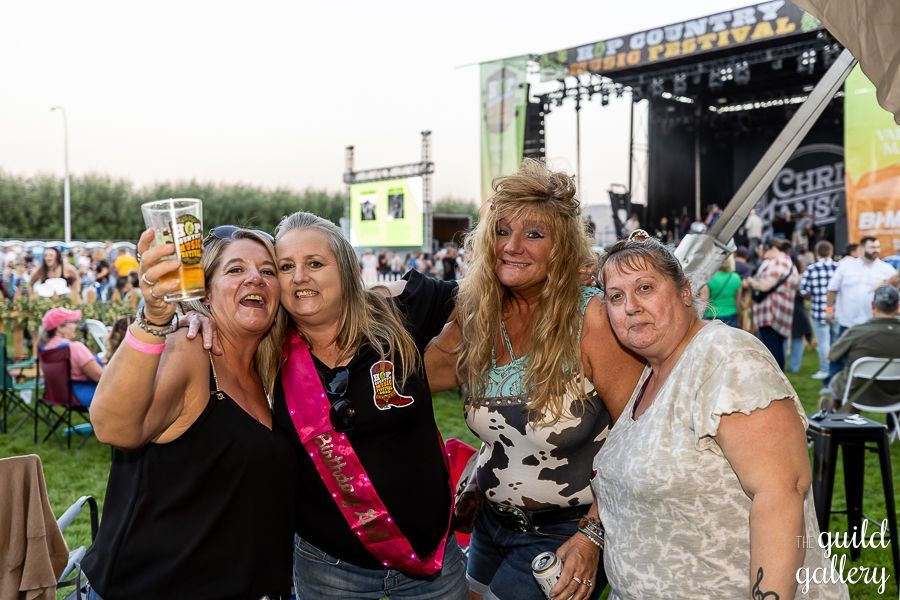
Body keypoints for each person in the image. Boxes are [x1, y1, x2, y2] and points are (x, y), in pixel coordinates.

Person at [425, 160, 644, 600]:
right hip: (491, 523)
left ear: (562, 248)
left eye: (534, 235)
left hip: (567, 532)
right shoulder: (480, 318)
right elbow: (411, 381)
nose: (513, 246)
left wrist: (592, 537)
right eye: (502, 231)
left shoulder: (593, 318)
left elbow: (638, 437)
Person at [592, 232, 848, 599]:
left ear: (684, 292)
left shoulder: (727, 358)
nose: (630, 305)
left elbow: (781, 493)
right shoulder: (652, 371)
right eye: (616, 296)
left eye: (645, 288)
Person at [82, 227, 296, 599]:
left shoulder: (272, 370)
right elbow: (114, 427)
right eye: (235, 269)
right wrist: (155, 320)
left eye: (268, 270)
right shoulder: (190, 349)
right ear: (205, 292)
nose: (255, 278)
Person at [269, 212, 467, 598]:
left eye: (314, 263)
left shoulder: (398, 313)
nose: (298, 277)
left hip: (434, 564)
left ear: (344, 268)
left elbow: (483, 294)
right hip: (329, 567)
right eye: (285, 266)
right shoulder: (263, 350)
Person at [822, 285, 900, 410]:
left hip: (856, 394)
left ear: (873, 305)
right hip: (895, 397)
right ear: (897, 307)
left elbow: (831, 355)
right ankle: (893, 427)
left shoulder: (857, 331)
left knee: (840, 364)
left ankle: (836, 410)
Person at [747, 239, 798, 369]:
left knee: (771, 350)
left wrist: (751, 282)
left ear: (773, 249)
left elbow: (764, 286)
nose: (763, 255)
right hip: (780, 312)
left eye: (765, 250)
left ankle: (775, 380)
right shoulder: (788, 262)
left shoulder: (779, 263)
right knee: (777, 347)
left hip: (771, 312)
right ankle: (780, 380)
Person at [38, 308, 103, 407]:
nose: (76, 326)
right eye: (73, 322)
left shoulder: (45, 348)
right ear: (60, 327)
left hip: (59, 396)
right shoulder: (74, 347)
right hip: (83, 394)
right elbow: (100, 377)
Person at [800, 241, 839, 379]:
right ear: (831, 252)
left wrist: (812, 294)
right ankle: (836, 370)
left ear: (816, 254)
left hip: (818, 310)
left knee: (823, 343)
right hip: (836, 311)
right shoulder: (838, 267)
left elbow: (803, 290)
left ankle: (825, 370)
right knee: (836, 342)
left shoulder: (811, 269)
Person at [699, 255, 742, 327]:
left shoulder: (709, 277)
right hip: (731, 316)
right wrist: (740, 316)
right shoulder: (736, 278)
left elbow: (704, 300)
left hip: (712, 317)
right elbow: (738, 301)